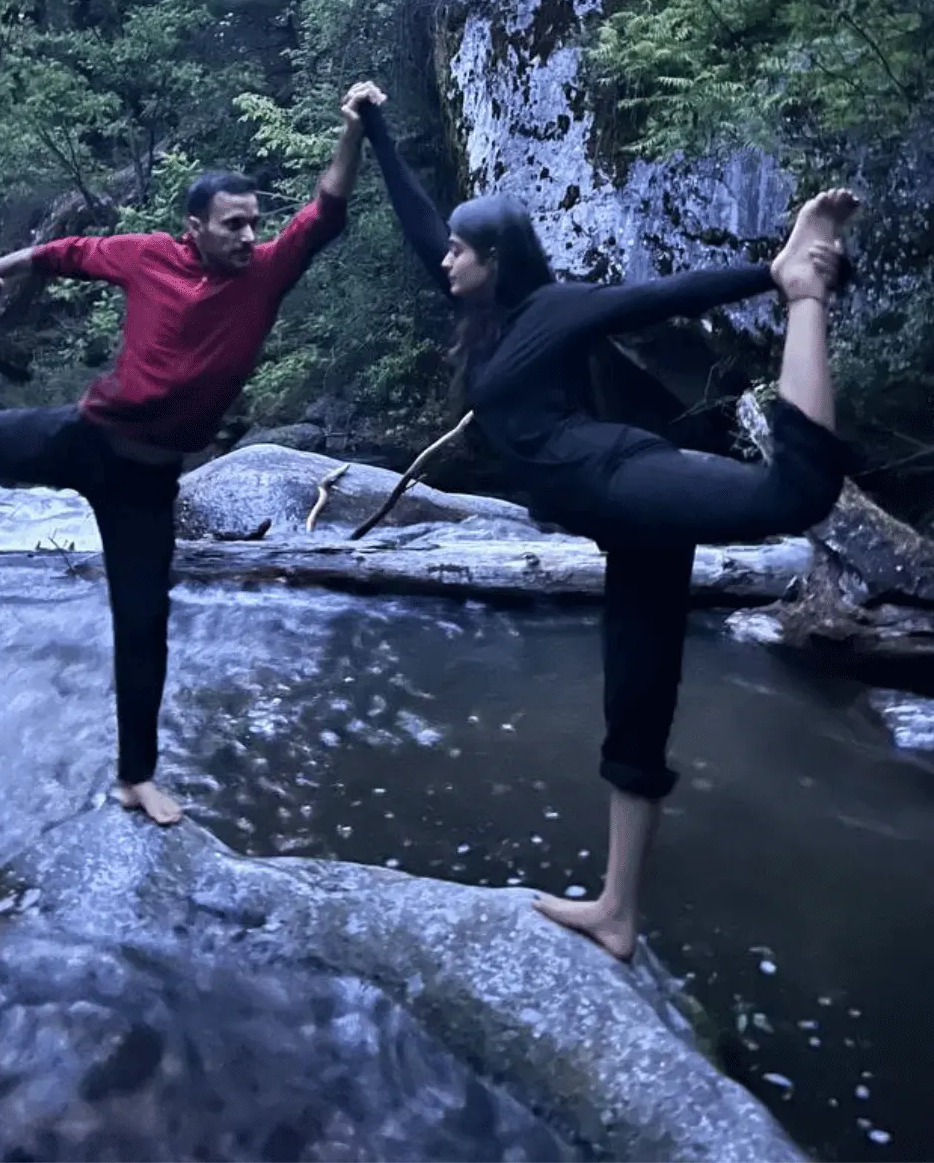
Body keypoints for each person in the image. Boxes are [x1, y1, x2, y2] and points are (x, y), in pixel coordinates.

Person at [353, 82, 856, 960]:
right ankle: (617, 914)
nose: (445, 260)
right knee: (635, 696)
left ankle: (810, 294)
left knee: (795, 498)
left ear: (496, 258)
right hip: (619, 522)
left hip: (623, 477)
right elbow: (421, 224)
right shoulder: (484, 315)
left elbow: (653, 298)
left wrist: (774, 277)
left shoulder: (552, 309)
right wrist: (379, 128)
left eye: (461, 252)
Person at [0, 86, 375, 827]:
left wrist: (352, 132)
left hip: (146, 484)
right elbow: (67, 253)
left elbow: (325, 213)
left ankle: (137, 778)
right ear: (193, 229)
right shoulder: (149, 256)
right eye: (232, 225)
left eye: (254, 223)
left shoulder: (265, 275)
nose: (248, 235)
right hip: (82, 439)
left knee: (143, 623)